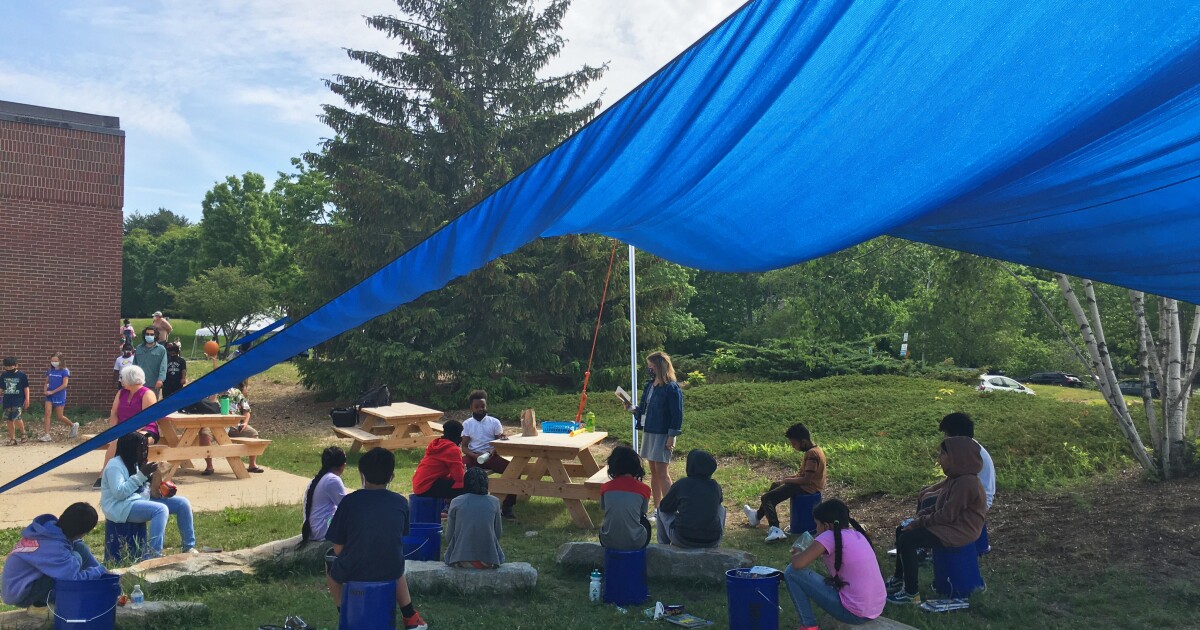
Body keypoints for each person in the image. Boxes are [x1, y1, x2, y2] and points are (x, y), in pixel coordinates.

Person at [325, 447, 427, 630]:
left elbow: (338, 549)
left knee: (331, 568)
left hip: (355, 568)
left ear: (361, 474)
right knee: (396, 568)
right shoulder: (401, 502)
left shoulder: (349, 502)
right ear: (392, 477)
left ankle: (346, 612)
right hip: (391, 567)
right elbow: (398, 537)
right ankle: (410, 616)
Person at [886, 437, 986, 605]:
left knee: (908, 540)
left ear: (956, 457)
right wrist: (919, 516)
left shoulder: (966, 483)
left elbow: (947, 515)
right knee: (902, 530)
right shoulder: (955, 477)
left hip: (960, 530)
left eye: (943, 454)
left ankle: (911, 593)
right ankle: (899, 578)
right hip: (951, 523)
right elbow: (940, 506)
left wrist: (919, 522)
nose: (939, 459)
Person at [785, 499, 886, 629]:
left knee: (791, 573)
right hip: (875, 608)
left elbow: (797, 564)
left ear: (826, 526)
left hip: (854, 613)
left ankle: (808, 625)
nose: (816, 528)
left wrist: (798, 551)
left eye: (817, 524)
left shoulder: (828, 536)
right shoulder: (857, 534)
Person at [100, 432, 198, 558]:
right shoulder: (115, 465)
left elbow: (144, 488)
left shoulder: (135, 462)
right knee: (160, 510)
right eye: (141, 450)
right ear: (130, 449)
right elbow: (120, 493)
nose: (145, 453)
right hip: (120, 507)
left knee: (182, 503)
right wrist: (141, 475)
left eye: (145, 449)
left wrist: (162, 490)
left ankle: (189, 547)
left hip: (137, 500)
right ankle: (154, 555)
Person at [1, 503, 107, 608]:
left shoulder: (49, 531)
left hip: (18, 585)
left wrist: (101, 572)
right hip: (21, 596)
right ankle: (45, 603)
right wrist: (97, 571)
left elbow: (77, 546)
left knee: (78, 547)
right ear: (82, 532)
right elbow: (72, 580)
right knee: (76, 557)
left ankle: (102, 581)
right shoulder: (55, 547)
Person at [744, 423, 827, 543]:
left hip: (807, 488)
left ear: (803, 441)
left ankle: (775, 528)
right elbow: (803, 475)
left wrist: (786, 480)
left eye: (794, 443)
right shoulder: (815, 450)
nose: (793, 447)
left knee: (767, 498)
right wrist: (785, 480)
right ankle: (756, 516)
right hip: (806, 486)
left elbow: (806, 480)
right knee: (774, 486)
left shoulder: (812, 454)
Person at [625, 351, 684, 513]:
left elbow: (677, 415)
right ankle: (658, 508)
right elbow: (645, 410)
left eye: (651, 366)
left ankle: (671, 509)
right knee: (653, 472)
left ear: (659, 366)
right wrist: (631, 408)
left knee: (662, 473)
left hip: (663, 434)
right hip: (649, 431)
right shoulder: (649, 385)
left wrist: (671, 437)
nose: (648, 368)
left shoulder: (672, 388)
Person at [93, 365, 162, 490]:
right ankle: (107, 473)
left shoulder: (147, 394)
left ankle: (104, 475)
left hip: (146, 430)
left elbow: (146, 419)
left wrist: (129, 432)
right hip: (122, 430)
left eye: (123, 378)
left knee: (124, 441)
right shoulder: (121, 393)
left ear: (130, 379)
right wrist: (115, 429)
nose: (121, 381)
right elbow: (113, 413)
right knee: (117, 440)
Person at [918, 412, 995, 512]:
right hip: (966, 494)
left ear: (957, 435)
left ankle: (925, 525)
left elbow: (960, 487)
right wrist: (932, 488)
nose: (944, 438)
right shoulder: (965, 447)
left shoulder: (968, 453)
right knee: (925, 491)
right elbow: (953, 479)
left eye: (946, 434)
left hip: (976, 500)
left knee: (928, 501)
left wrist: (933, 493)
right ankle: (917, 522)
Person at [460, 390, 516, 519]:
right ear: (471, 408)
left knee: (513, 471)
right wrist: (474, 455)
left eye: (482, 406)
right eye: (477, 407)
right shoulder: (467, 424)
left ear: (486, 406)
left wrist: (493, 451)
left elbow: (499, 442)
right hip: (473, 456)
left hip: (491, 455)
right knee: (457, 468)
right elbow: (464, 446)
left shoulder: (494, 422)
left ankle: (508, 506)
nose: (480, 409)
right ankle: (456, 503)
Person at [656, 450, 725, 548]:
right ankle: (716, 545)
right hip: (712, 540)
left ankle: (664, 546)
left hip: (683, 538)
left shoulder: (682, 484)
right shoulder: (715, 486)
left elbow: (664, 507)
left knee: (660, 509)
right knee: (721, 508)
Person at [443, 467, 505, 569]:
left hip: (460, 559)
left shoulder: (456, 501)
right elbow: (498, 533)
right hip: (488, 560)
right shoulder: (494, 502)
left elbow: (449, 536)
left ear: (465, 483)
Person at [199, 380, 263, 474]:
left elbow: (246, 410)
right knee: (204, 434)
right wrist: (214, 395)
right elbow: (207, 407)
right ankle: (209, 466)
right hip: (213, 424)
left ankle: (252, 465)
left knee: (253, 433)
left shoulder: (236, 392)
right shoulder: (210, 392)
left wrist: (245, 423)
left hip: (234, 424)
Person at [599, 444, 652, 550]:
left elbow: (604, 508)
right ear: (636, 466)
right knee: (645, 521)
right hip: (636, 542)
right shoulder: (644, 489)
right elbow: (643, 512)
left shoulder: (605, 488)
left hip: (607, 541)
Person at [301, 446, 348, 545]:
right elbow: (347, 507)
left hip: (313, 529)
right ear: (342, 465)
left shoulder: (321, 478)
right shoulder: (332, 480)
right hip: (321, 530)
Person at [412, 419, 466, 499]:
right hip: (428, 487)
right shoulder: (452, 449)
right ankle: (451, 509)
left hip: (419, 484)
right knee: (466, 487)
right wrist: (463, 470)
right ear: (458, 435)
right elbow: (459, 477)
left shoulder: (435, 444)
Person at [38, 353, 76, 442]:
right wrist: (45, 390)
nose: (54, 363)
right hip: (49, 396)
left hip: (59, 395)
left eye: (56, 361)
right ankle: (47, 434)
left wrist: (53, 391)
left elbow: (64, 385)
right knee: (47, 414)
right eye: (52, 361)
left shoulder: (65, 371)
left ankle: (73, 425)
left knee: (60, 416)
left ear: (60, 361)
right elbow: (46, 382)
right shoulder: (50, 370)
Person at [3, 357, 30, 446]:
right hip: (7, 399)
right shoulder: (4, 375)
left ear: (16, 365)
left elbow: (26, 388)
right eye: (7, 367)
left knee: (16, 417)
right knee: (9, 419)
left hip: (18, 399)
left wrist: (27, 399)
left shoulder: (22, 375)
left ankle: (23, 433)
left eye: (11, 367)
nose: (9, 369)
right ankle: (12, 439)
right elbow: (2, 387)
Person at [133, 326, 167, 396]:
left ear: (156, 336)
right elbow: (134, 365)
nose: (149, 336)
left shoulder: (161, 349)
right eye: (147, 334)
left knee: (152, 404)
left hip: (154, 383)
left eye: (151, 334)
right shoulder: (139, 348)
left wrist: (160, 380)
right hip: (139, 383)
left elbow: (163, 366)